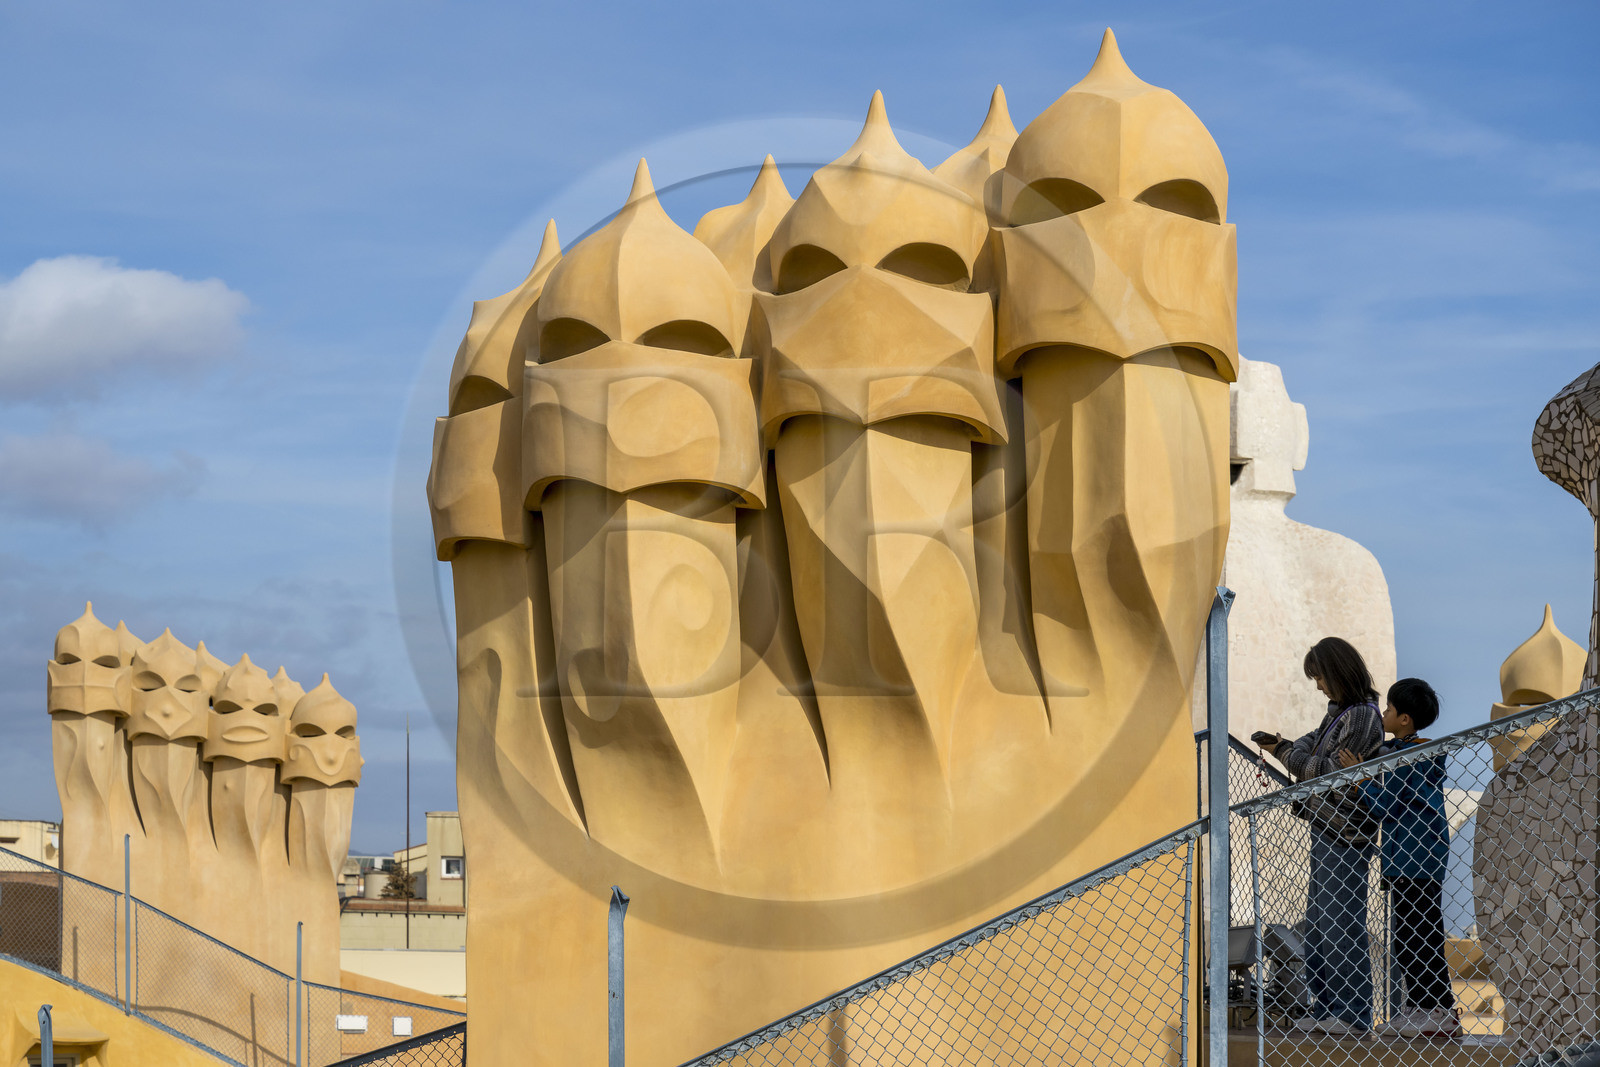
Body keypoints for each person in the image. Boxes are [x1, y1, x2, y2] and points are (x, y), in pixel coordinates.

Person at [1251, 636, 1384, 1036]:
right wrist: (1289, 752)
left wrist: (1294, 757)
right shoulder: (1337, 717)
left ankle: (1353, 1012)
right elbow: (1310, 755)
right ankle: (1327, 1005)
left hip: (1346, 834)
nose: (1319, 686)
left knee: (1341, 922)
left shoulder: (1362, 717)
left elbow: (1328, 774)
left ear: (1338, 673)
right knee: (1322, 923)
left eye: (1321, 677)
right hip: (1327, 829)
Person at [1338, 677, 1459, 1038]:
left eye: (1389, 709)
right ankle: (1420, 1006)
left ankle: (1439, 1008)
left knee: (1420, 935)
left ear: (1405, 718)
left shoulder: (1413, 756)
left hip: (1416, 858)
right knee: (1407, 937)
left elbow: (1387, 805)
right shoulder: (1402, 752)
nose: (1384, 715)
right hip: (1404, 859)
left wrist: (1360, 780)